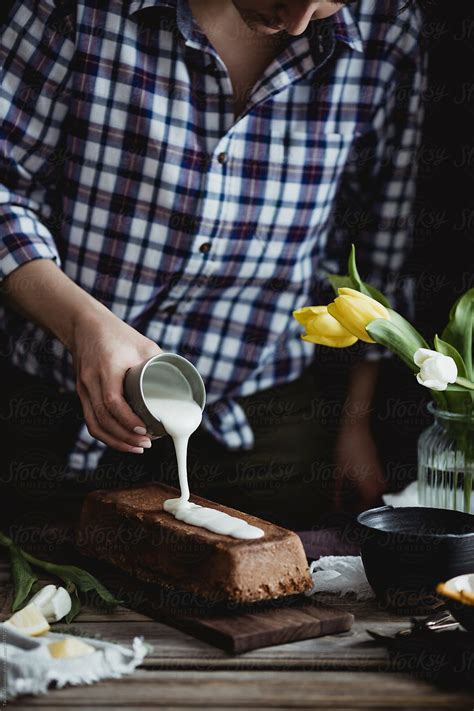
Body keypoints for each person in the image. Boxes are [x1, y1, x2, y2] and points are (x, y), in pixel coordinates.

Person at [0, 0, 425, 528]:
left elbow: (380, 234)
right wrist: (83, 325)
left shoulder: (389, 24)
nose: (297, 23)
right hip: (56, 418)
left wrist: (355, 423)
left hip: (267, 433)